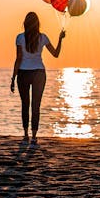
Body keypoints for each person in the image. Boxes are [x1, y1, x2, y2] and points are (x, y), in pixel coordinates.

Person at [11, 11, 65, 145]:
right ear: (37, 24)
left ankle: (25, 135)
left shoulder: (19, 38)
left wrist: (13, 77)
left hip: (23, 73)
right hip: (39, 73)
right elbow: (56, 54)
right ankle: (34, 137)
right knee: (36, 105)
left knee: (25, 104)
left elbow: (18, 59)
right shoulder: (43, 37)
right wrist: (60, 39)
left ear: (25, 23)